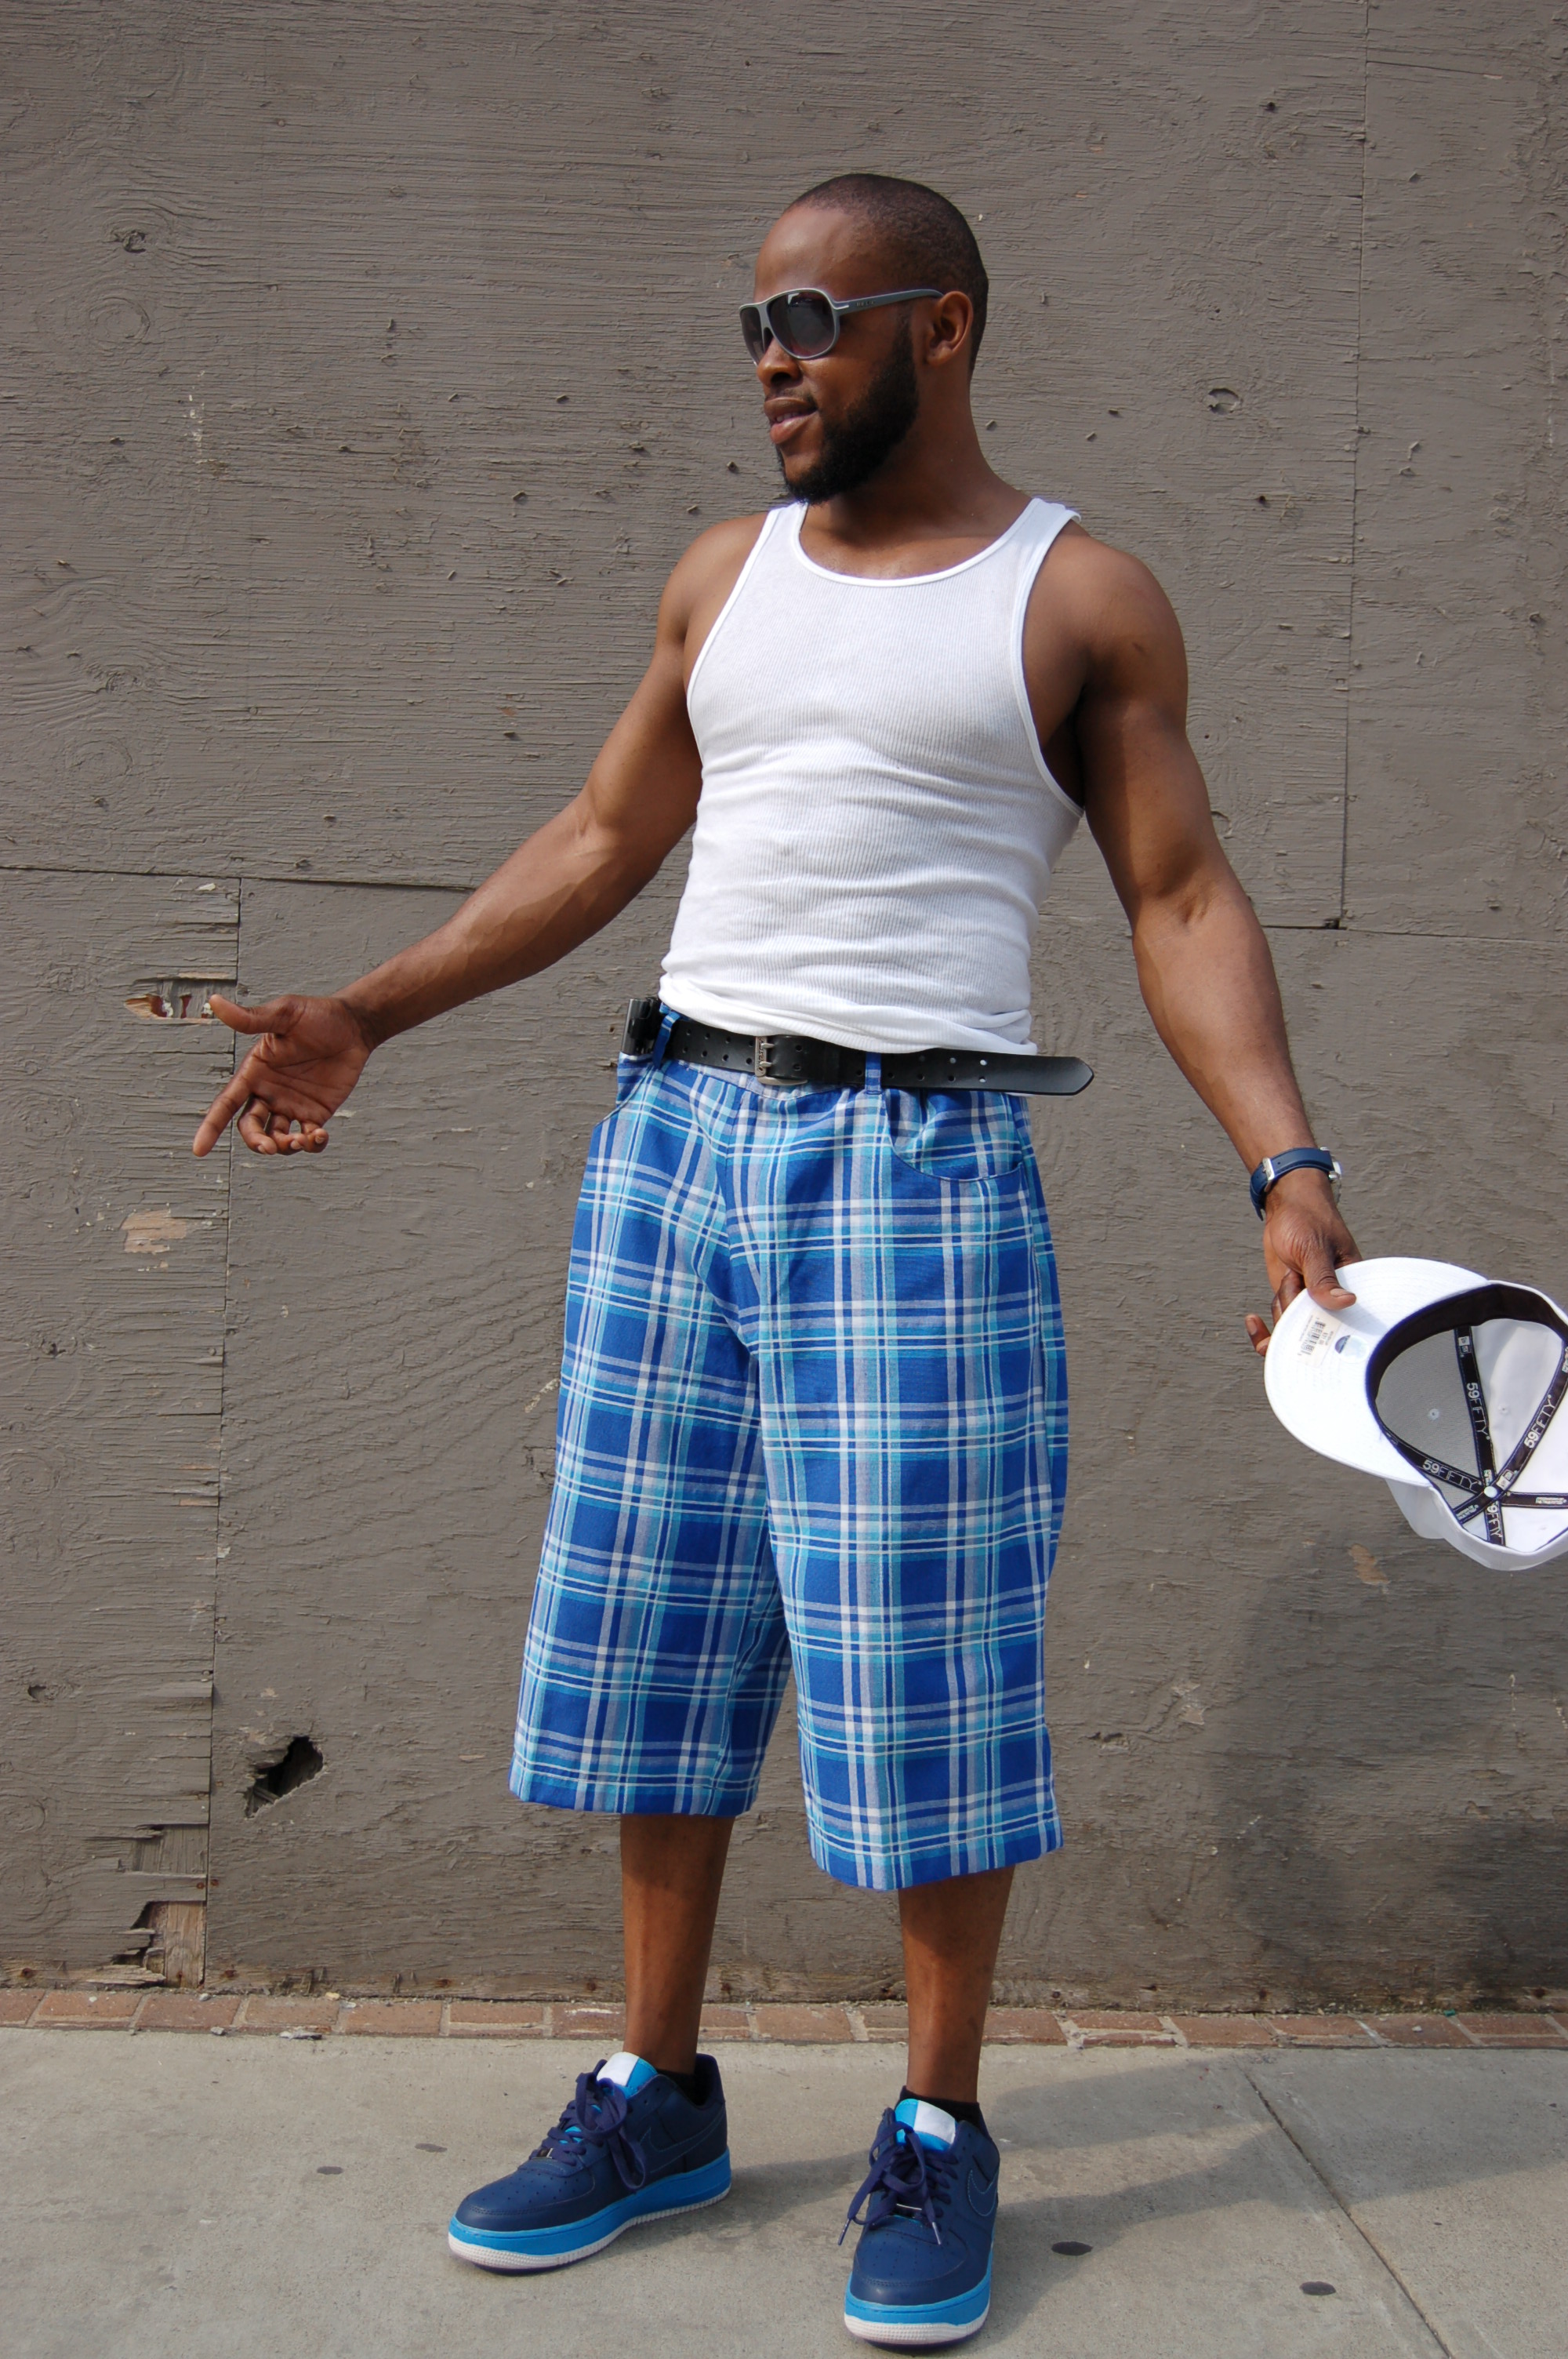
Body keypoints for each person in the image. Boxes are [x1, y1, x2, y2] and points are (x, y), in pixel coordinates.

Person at [193, 173, 1359, 2348]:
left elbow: (1181, 894)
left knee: (925, 1657)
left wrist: (1284, 1161)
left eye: (816, 318)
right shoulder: (723, 578)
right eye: (753, 323)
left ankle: (937, 2124)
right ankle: (657, 2093)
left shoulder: (1075, 595)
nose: (772, 361)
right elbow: (603, 836)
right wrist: (373, 1008)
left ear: (946, 326)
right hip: (674, 1145)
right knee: (650, 1628)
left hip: (916, 1166)